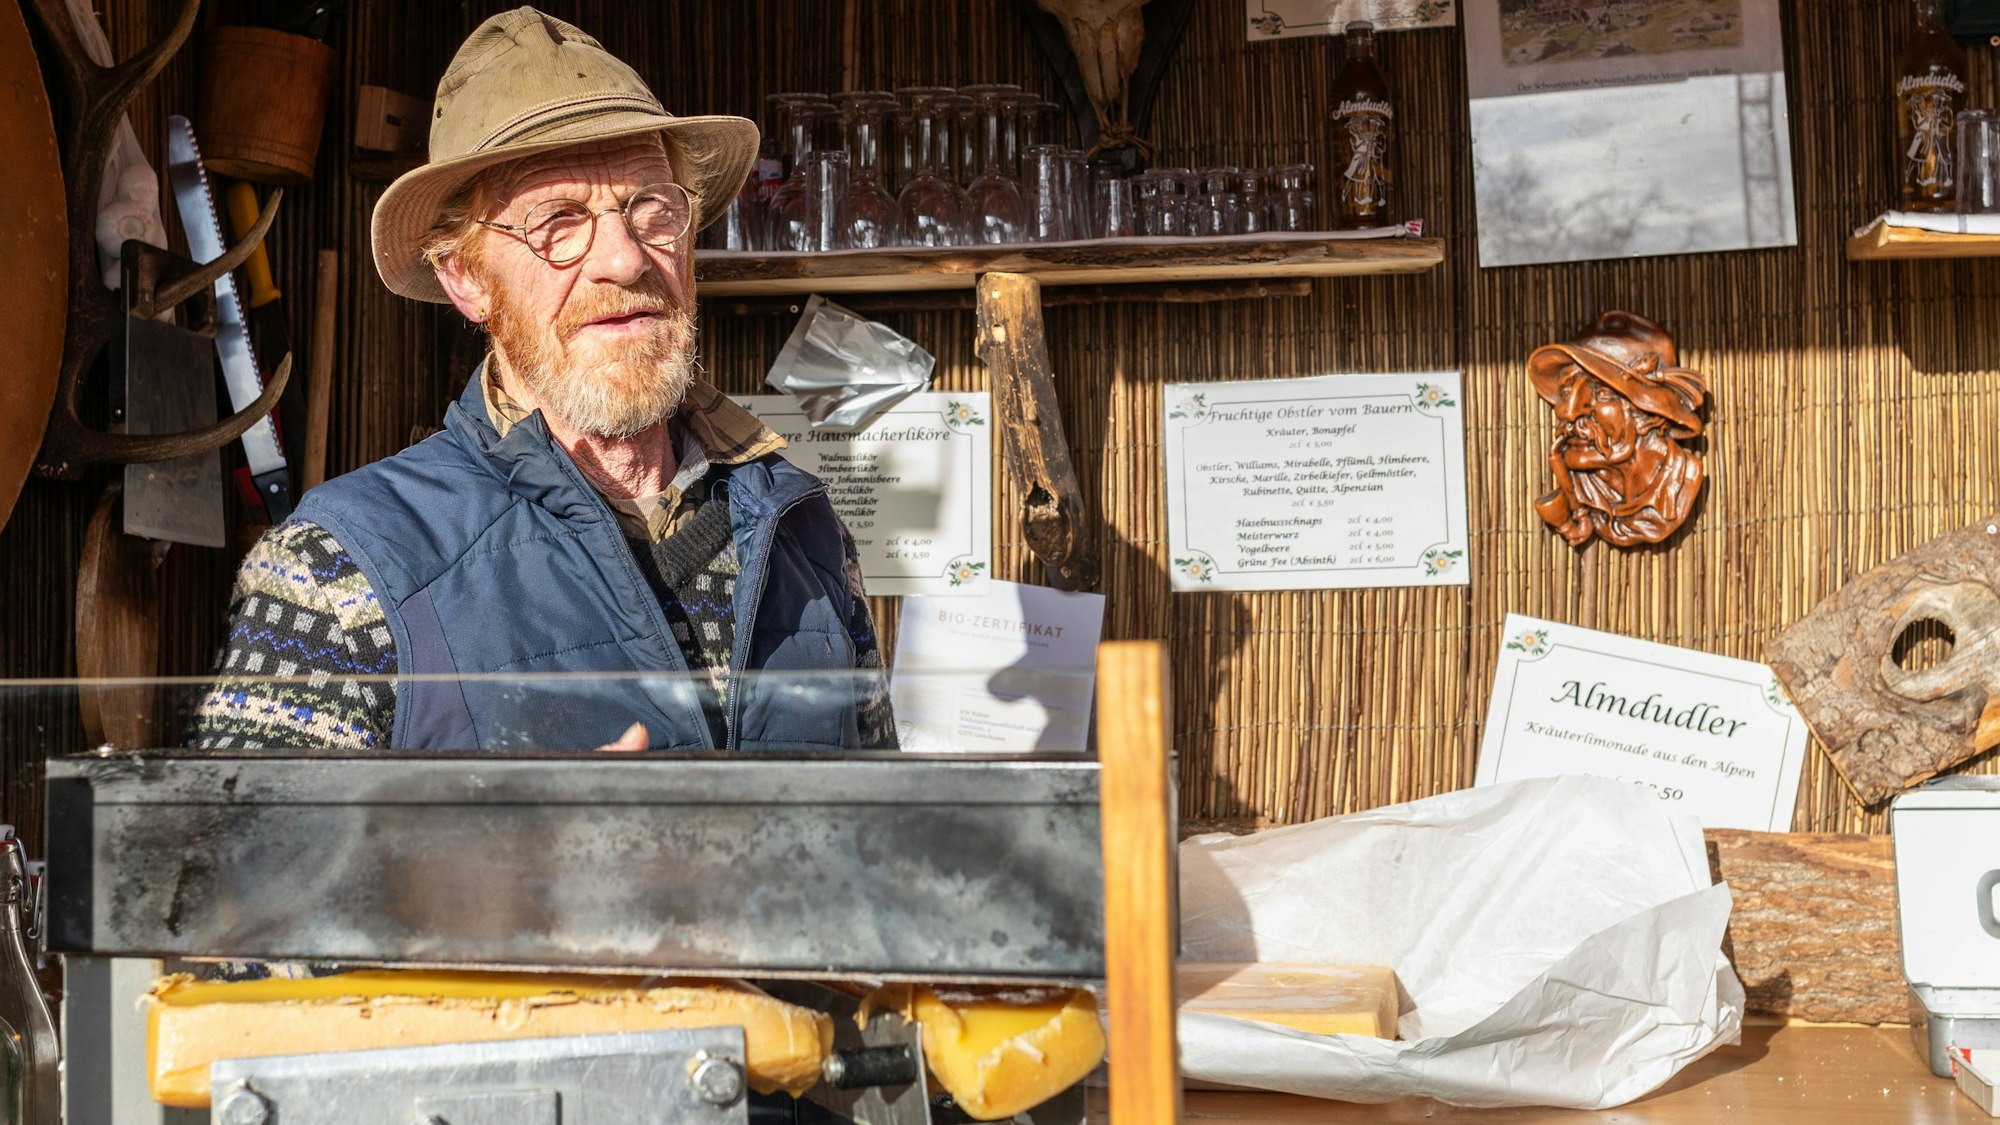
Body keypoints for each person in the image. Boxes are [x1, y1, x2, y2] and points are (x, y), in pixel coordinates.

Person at [191, 6, 894, 752]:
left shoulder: (806, 529)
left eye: (653, 210)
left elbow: (888, 847)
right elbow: (239, 867)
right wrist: (516, 859)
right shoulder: (336, 570)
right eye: (558, 222)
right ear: (466, 278)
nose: (624, 260)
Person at [1529, 311, 1709, 547]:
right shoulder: (1581, 495)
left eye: (1602, 394)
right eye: (1566, 392)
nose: (1569, 412)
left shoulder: (1681, 481)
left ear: (1649, 416)